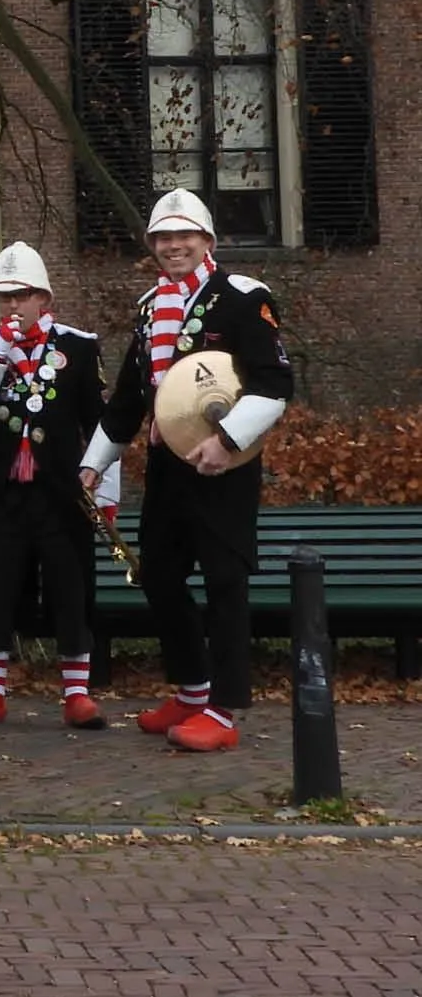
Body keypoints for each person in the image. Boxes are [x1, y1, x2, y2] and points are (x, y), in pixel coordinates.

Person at [80, 189, 293, 752]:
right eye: (163, 238)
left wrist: (226, 441)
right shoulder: (152, 307)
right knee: (160, 576)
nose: (174, 246)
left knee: (225, 581)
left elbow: (275, 386)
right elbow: (129, 400)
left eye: (185, 236)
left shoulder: (245, 298)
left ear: (207, 242)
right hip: (168, 466)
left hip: (225, 465)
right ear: (153, 246)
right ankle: (193, 689)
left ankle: (223, 710)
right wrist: (91, 465)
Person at [0, 242, 116, 728]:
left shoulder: (77, 347)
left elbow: (102, 424)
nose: (12, 305)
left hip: (60, 493)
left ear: (43, 298)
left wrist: (104, 494)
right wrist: (1, 351)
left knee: (70, 584)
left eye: (22, 295)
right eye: (4, 296)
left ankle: (76, 691)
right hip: (4, 494)